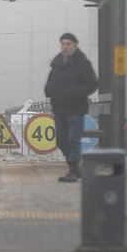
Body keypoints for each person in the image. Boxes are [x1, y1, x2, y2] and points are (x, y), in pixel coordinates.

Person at [44, 33, 99, 182]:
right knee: (61, 140)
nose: (65, 47)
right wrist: (49, 90)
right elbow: (50, 82)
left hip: (75, 109)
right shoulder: (56, 63)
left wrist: (77, 92)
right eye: (63, 44)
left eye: (68, 44)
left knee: (73, 140)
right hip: (59, 108)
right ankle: (74, 168)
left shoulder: (82, 63)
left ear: (74, 46)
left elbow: (92, 83)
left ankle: (73, 170)